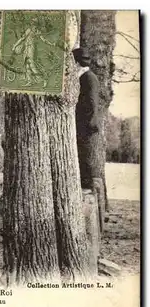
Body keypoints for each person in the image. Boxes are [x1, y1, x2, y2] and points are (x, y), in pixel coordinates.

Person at [73, 47, 107, 228]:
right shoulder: (85, 77)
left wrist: (89, 125)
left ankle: (86, 185)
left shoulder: (87, 78)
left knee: (84, 153)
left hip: (86, 125)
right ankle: (85, 182)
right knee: (82, 153)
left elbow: (92, 104)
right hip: (84, 124)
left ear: (78, 63)